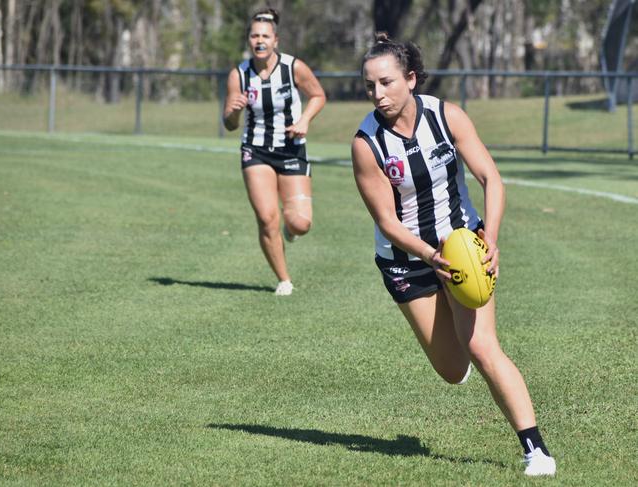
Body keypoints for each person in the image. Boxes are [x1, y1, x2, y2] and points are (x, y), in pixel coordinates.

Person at [351, 33, 556, 476]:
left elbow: (491, 178)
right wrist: (429, 254)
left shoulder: (446, 116)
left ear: (411, 78)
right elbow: (387, 221)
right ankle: (453, 348)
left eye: (386, 82)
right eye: (370, 86)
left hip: (463, 245)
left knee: (483, 347)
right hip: (407, 258)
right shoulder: (366, 145)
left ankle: (535, 450)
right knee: (451, 368)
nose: (378, 94)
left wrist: (491, 240)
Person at [223, 7, 326, 296]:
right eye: (254, 36)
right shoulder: (239, 75)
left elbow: (318, 95)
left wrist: (304, 120)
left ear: (276, 40)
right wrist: (233, 112)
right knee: (268, 217)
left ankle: (290, 231)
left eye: (265, 36)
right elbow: (230, 124)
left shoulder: (293, 67)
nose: (260, 41)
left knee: (300, 223)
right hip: (255, 151)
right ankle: (284, 280)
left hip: (291, 149)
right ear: (249, 40)